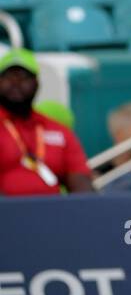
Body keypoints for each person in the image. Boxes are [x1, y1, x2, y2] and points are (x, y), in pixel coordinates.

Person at [0, 48, 93, 195]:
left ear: (36, 83)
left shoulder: (57, 130)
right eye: (9, 77)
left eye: (23, 77)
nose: (15, 83)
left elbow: (81, 182)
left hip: (52, 212)